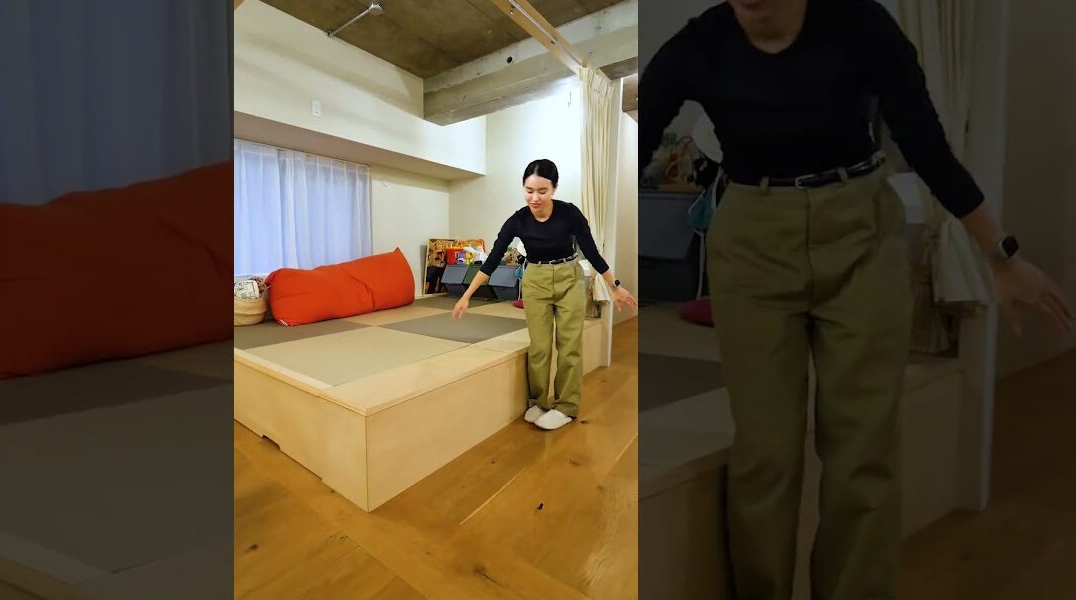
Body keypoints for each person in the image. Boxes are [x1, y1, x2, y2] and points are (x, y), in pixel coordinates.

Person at [640, 1, 1073, 598]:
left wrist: (1001, 254)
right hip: (753, 241)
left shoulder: (858, 23)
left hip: (860, 234)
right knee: (765, 452)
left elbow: (926, 144)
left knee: (862, 452)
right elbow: (636, 141)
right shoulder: (697, 46)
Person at [452, 159, 637, 431]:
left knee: (569, 345)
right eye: (529, 191)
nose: (535, 198)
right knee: (539, 346)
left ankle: (566, 407)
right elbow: (492, 260)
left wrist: (615, 286)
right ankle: (538, 402)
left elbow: (592, 252)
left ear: (554, 189)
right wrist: (466, 295)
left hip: (568, 278)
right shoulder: (517, 220)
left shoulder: (569, 214)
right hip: (535, 281)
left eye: (542, 191)